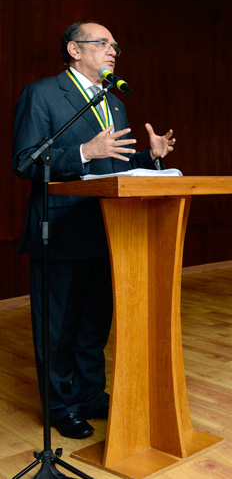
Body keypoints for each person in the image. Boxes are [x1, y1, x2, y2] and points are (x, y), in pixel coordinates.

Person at [12, 22, 176, 439]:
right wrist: (85, 150)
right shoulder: (43, 93)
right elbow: (27, 162)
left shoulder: (113, 103)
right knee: (58, 327)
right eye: (102, 43)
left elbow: (113, 165)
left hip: (108, 229)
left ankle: (89, 395)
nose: (112, 51)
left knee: (93, 324)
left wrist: (150, 155)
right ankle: (59, 406)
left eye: (115, 45)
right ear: (73, 49)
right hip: (62, 229)